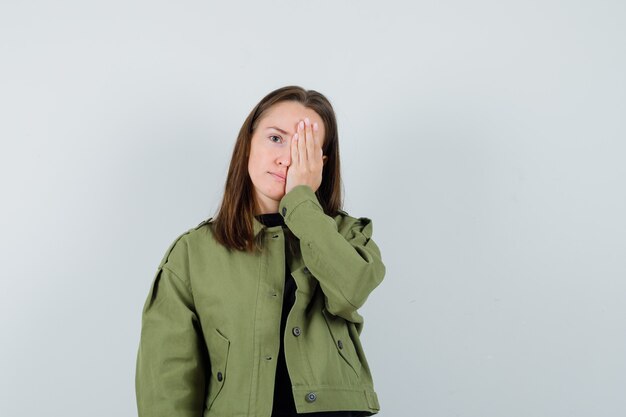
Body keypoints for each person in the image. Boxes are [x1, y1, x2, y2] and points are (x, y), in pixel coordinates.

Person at [135, 86, 386, 417]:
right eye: (276, 138)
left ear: (320, 163)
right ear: (248, 141)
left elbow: (352, 289)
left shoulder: (347, 234)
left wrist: (301, 200)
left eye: (303, 147)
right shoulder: (192, 254)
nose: (286, 158)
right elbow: (167, 383)